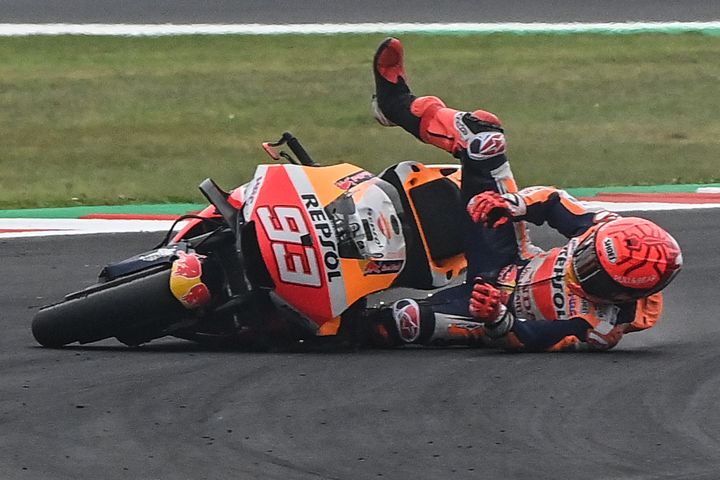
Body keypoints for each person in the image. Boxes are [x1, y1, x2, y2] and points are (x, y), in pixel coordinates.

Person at [368, 37, 683, 351]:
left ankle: (335, 330)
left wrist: (496, 316)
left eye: (594, 275)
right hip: (509, 258)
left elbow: (529, 338)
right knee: (484, 135)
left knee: (405, 321)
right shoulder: (603, 225)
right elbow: (551, 201)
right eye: (588, 256)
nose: (580, 267)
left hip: (492, 314)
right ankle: (394, 104)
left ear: (623, 295)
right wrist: (508, 205)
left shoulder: (602, 328)